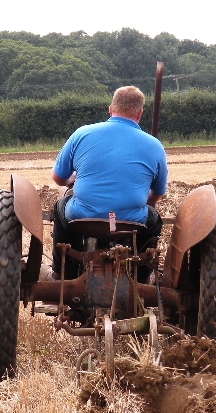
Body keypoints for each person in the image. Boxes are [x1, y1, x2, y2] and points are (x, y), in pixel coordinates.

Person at [47, 85, 168, 281]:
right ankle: (142, 277)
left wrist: (70, 180)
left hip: (82, 216)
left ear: (111, 110)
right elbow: (158, 192)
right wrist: (146, 202)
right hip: (132, 220)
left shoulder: (82, 134)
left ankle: (63, 274)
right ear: (139, 114)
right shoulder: (154, 145)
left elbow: (58, 178)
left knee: (60, 210)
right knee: (154, 221)